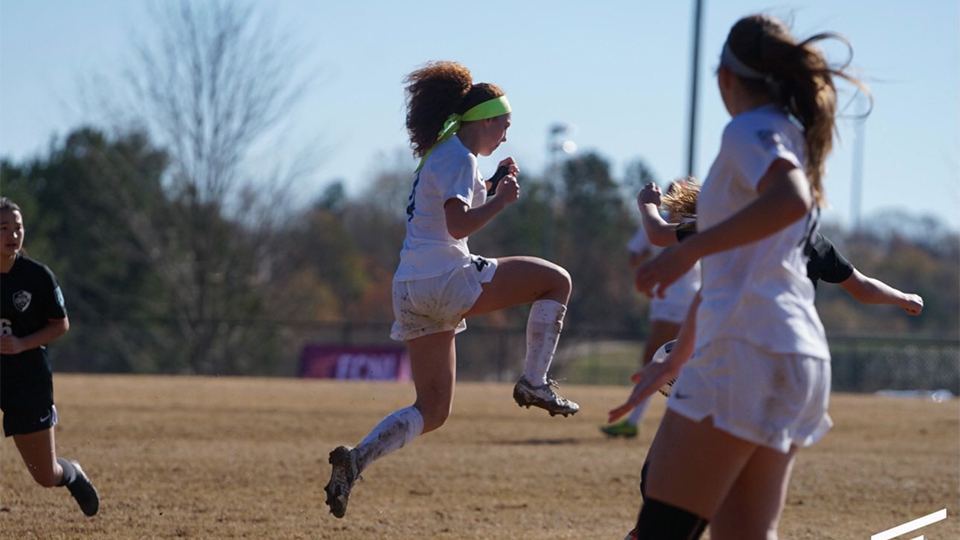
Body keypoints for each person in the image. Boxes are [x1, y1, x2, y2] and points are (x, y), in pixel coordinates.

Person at [609, 14, 872, 539]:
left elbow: (791, 200)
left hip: (745, 353)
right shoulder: (793, 134)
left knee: (658, 529)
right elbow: (727, 283)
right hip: (797, 355)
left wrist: (690, 251)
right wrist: (675, 362)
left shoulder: (749, 129)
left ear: (727, 78)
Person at [324, 61, 578, 519]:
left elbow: (458, 205)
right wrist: (501, 201)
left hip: (409, 288)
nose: (505, 132)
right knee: (556, 281)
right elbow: (458, 223)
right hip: (445, 278)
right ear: (482, 120)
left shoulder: (443, 152)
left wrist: (494, 183)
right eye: (504, 122)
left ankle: (355, 460)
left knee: (433, 410)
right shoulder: (461, 156)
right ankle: (534, 383)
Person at [637, 181, 923, 314]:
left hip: (739, 343)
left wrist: (648, 204)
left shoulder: (729, 226)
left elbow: (658, 234)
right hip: (797, 347)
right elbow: (863, 288)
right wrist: (903, 298)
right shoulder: (814, 241)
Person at [0, 197, 100, 517]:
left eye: (17, 228)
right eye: (4, 228)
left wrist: (21, 343)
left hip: (27, 378)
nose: (12, 235)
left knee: (45, 475)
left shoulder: (37, 276)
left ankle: (72, 474)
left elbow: (61, 325)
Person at [600, 181, 700, 439]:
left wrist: (646, 205)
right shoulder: (703, 223)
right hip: (683, 302)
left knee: (657, 362)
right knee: (677, 363)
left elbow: (657, 233)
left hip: (676, 303)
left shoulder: (691, 224)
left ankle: (635, 421)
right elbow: (639, 250)